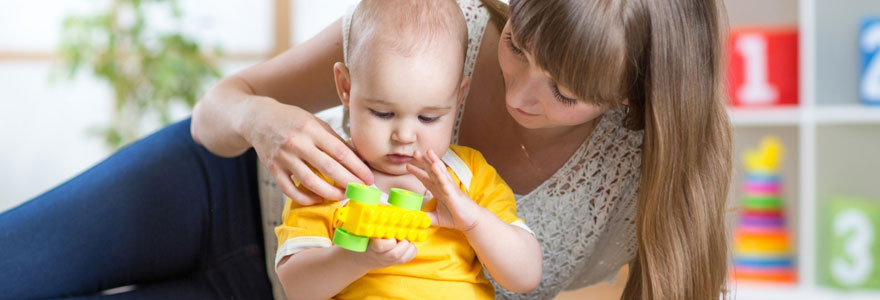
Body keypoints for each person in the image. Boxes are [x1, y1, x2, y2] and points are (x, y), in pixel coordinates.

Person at [0, 0, 732, 299]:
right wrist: (263, 119)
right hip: (219, 185)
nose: (521, 94)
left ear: (631, 97)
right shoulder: (442, 25)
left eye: (564, 95)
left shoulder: (640, 184)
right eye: (521, 47)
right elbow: (215, 109)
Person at [273, 1, 540, 299]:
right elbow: (297, 288)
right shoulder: (326, 175)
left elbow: (526, 277)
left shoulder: (469, 175)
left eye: (428, 118)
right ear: (346, 88)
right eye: (383, 114)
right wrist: (358, 258)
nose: (404, 136)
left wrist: (473, 220)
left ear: (458, 97)